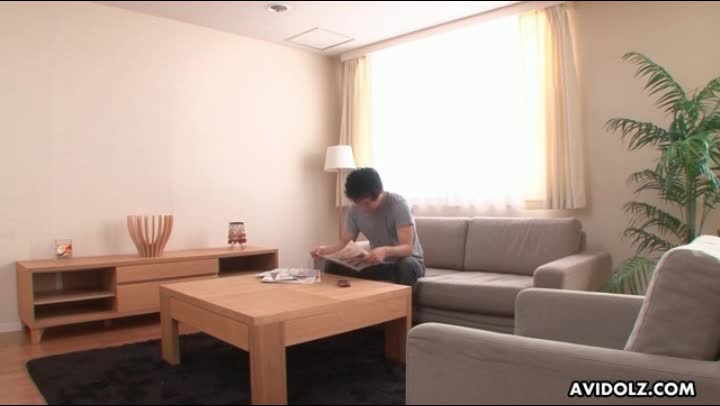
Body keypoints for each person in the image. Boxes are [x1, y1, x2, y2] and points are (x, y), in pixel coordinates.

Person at [310, 167, 425, 287]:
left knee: (406, 265)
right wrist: (324, 251)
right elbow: (345, 243)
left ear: (380, 192)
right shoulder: (354, 209)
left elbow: (407, 248)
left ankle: (404, 300)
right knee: (333, 264)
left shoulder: (398, 205)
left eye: (367, 203)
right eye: (358, 204)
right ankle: (331, 298)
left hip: (408, 263)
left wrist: (385, 251)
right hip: (379, 265)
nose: (363, 208)